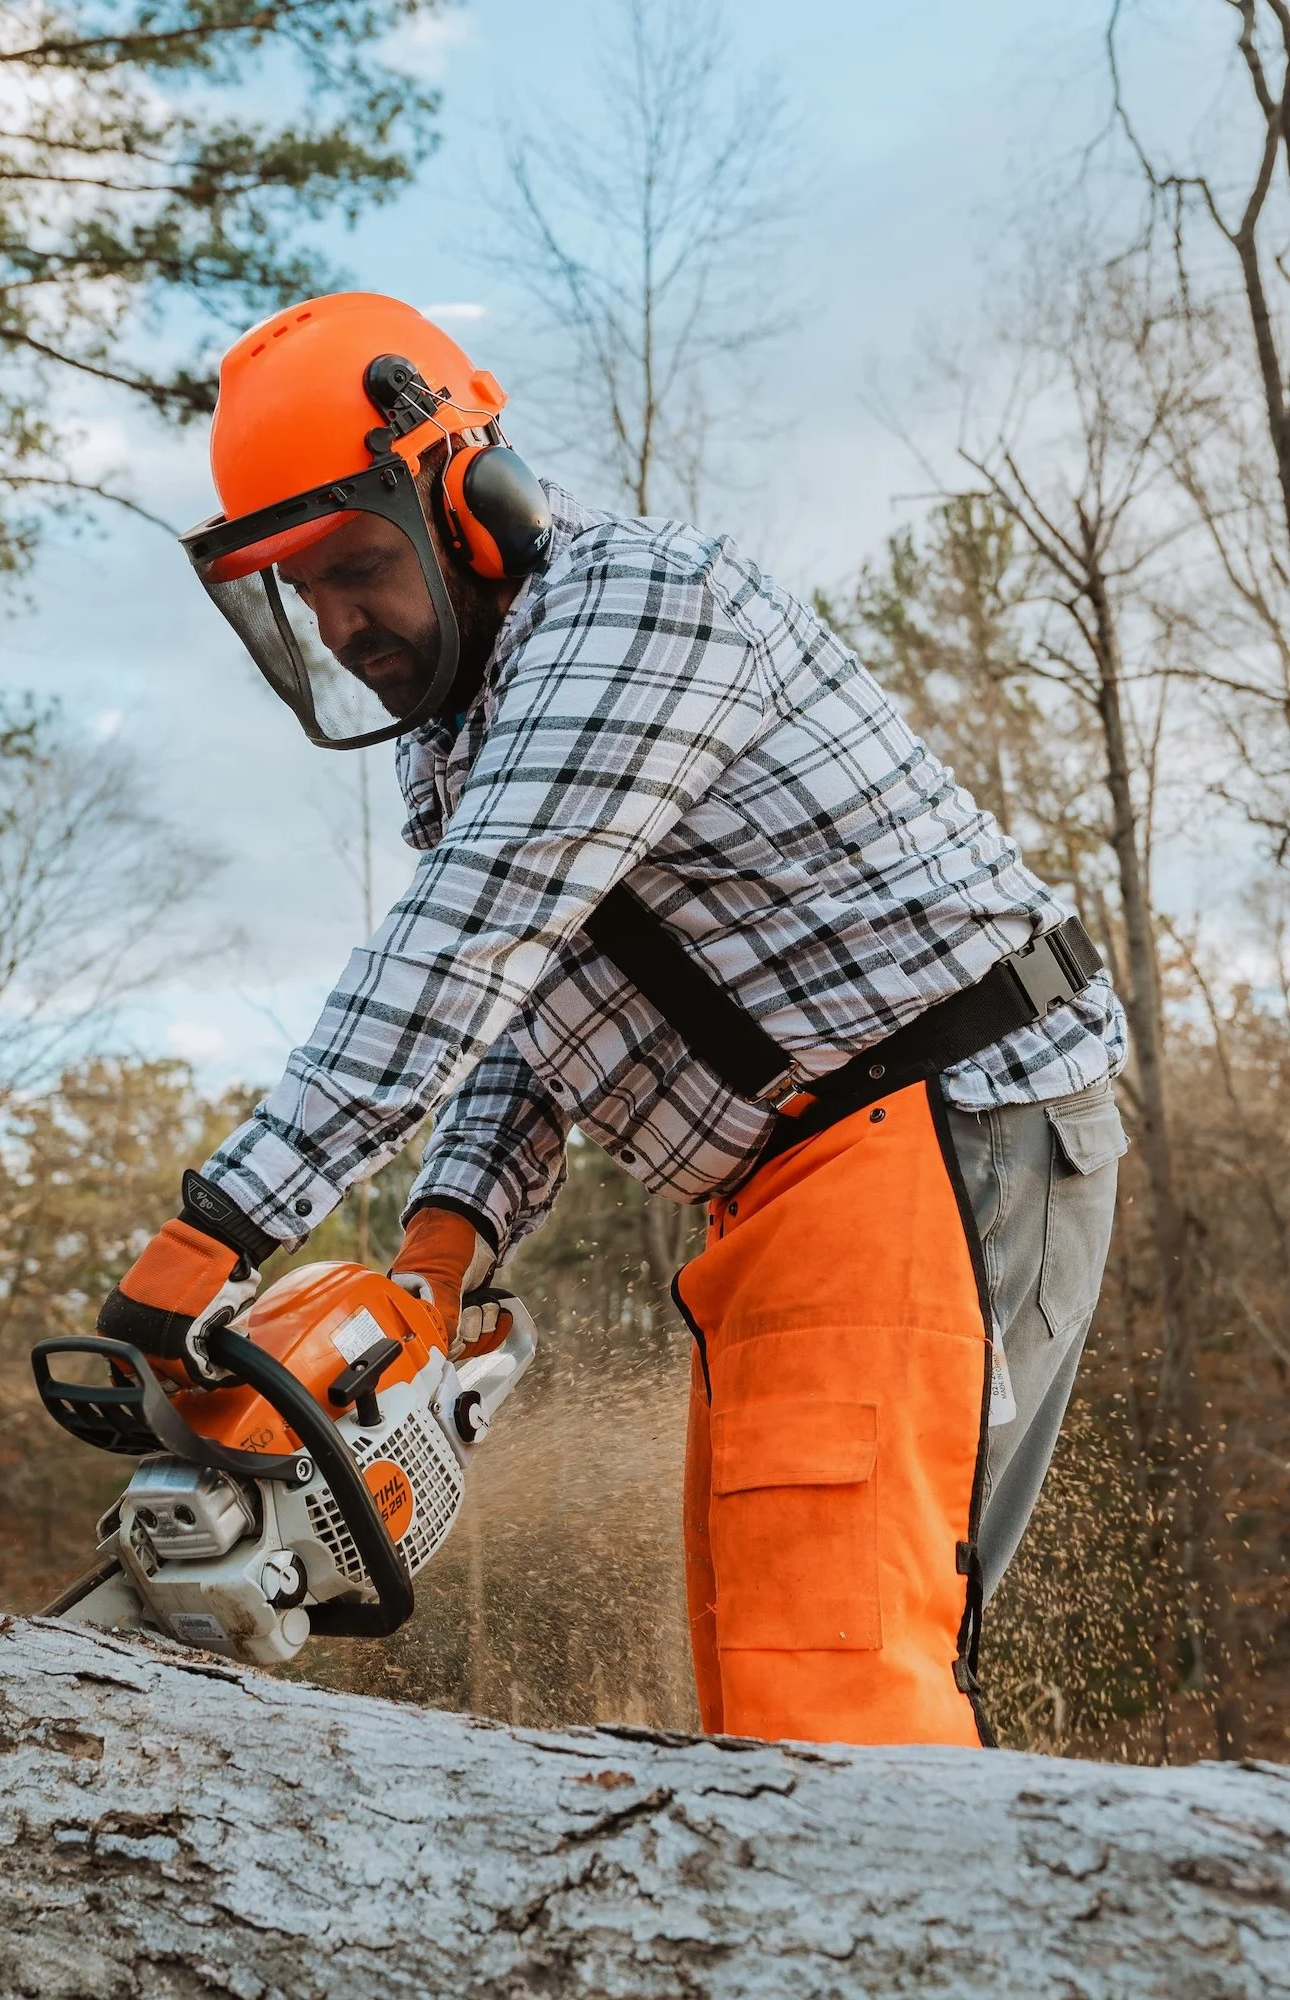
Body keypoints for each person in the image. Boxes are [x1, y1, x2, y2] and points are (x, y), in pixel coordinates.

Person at [101, 292, 1128, 1747]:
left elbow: (470, 937)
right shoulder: (464, 735)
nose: (338, 625)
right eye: (299, 590)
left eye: (356, 567)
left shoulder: (631, 609)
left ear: (471, 497)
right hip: (795, 1177)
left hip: (935, 1126)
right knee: (758, 1688)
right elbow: (527, 1008)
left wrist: (225, 1223)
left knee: (832, 1679)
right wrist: (440, 1253)